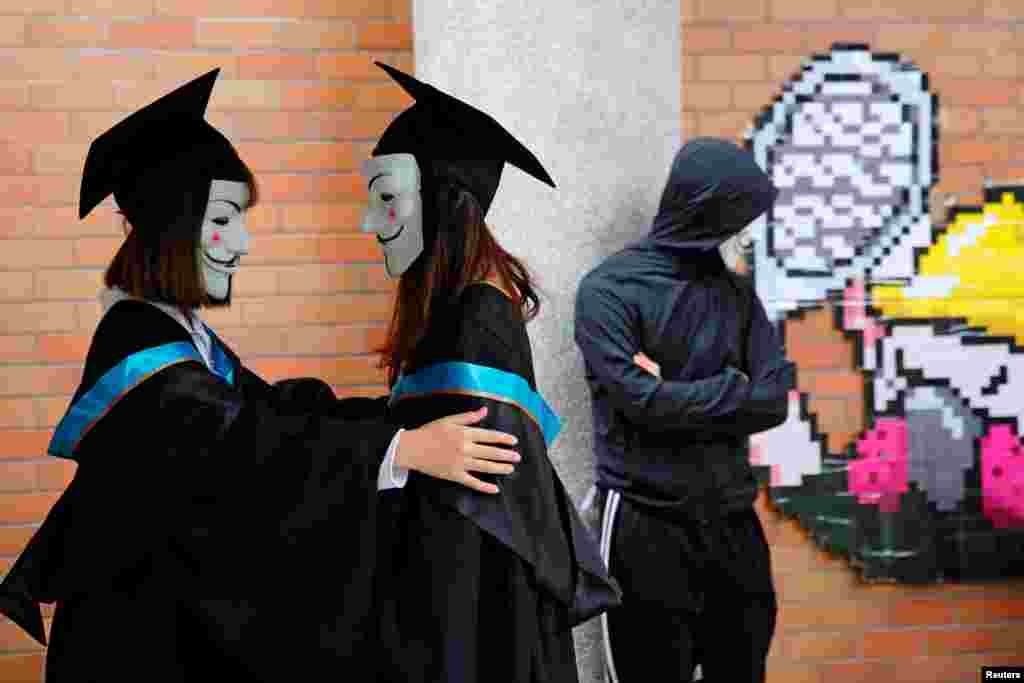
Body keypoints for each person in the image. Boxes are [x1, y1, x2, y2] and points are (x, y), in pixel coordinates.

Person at [0, 69, 522, 682]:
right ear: (175, 227)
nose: (243, 242)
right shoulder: (140, 351)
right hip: (135, 645)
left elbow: (272, 409)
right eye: (224, 220)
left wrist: (393, 419)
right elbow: (238, 447)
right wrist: (396, 448)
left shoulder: (176, 334)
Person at [358, 62, 621, 683]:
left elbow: (472, 520)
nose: (370, 223)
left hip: (473, 624)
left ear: (442, 201)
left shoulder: (474, 320)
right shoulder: (458, 310)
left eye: (387, 199)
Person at [574, 137, 796, 683]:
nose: (747, 234)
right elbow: (640, 403)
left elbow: (773, 399)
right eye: (739, 218)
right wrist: (733, 388)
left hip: (733, 523)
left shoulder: (737, 296)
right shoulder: (609, 291)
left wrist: (675, 391)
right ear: (704, 210)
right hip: (646, 524)